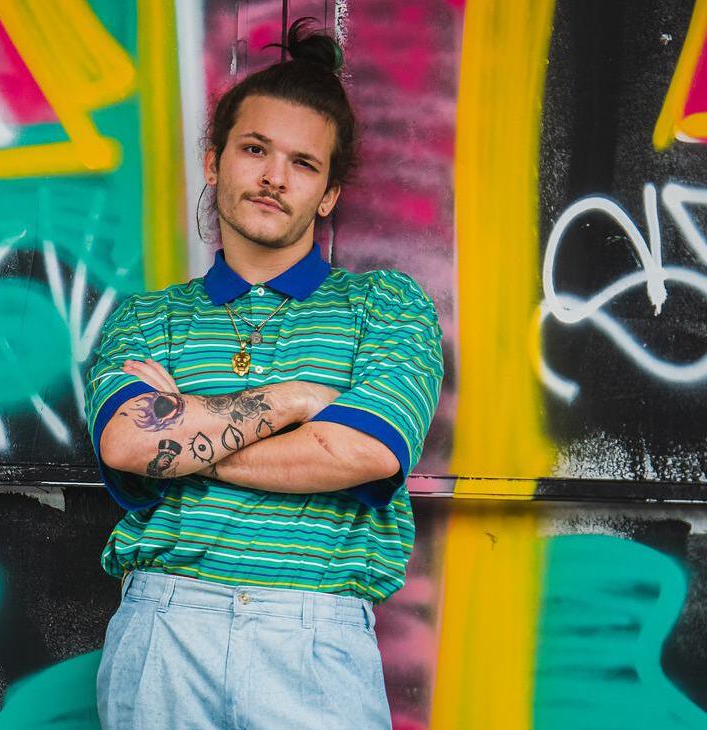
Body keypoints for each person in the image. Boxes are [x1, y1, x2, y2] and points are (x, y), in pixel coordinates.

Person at [84, 19, 443, 729]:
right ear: (215, 161)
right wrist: (296, 399)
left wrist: (186, 432)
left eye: (304, 164)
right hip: (165, 627)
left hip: (316, 636)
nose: (275, 177)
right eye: (254, 150)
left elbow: (363, 450)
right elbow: (127, 444)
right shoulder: (147, 319)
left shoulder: (387, 307)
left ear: (330, 193)